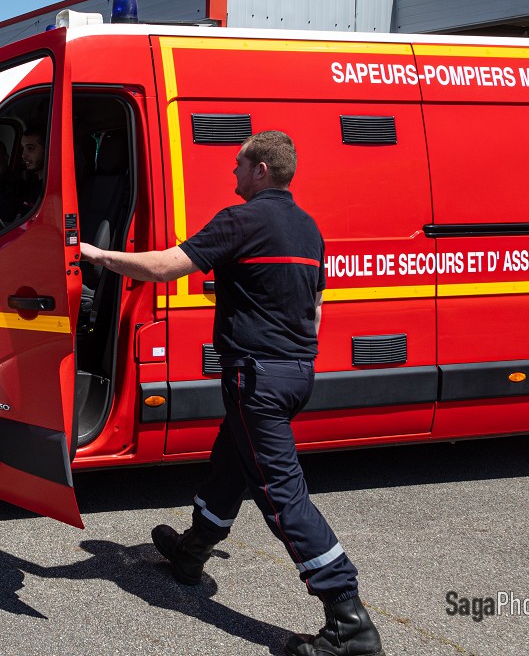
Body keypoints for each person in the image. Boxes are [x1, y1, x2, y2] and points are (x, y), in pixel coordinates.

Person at [78, 131, 382, 656]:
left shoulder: (242, 220)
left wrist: (100, 255)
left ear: (261, 168)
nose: (232, 174)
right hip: (293, 375)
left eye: (238, 165)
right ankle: (192, 550)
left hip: (257, 379)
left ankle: (348, 618)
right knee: (230, 465)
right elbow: (316, 309)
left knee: (283, 498)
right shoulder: (308, 229)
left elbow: (165, 267)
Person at [16, 127, 45, 215]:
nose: (23, 155)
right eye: (23, 148)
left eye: (30, 148)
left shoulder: (51, 189)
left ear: (47, 148)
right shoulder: (33, 186)